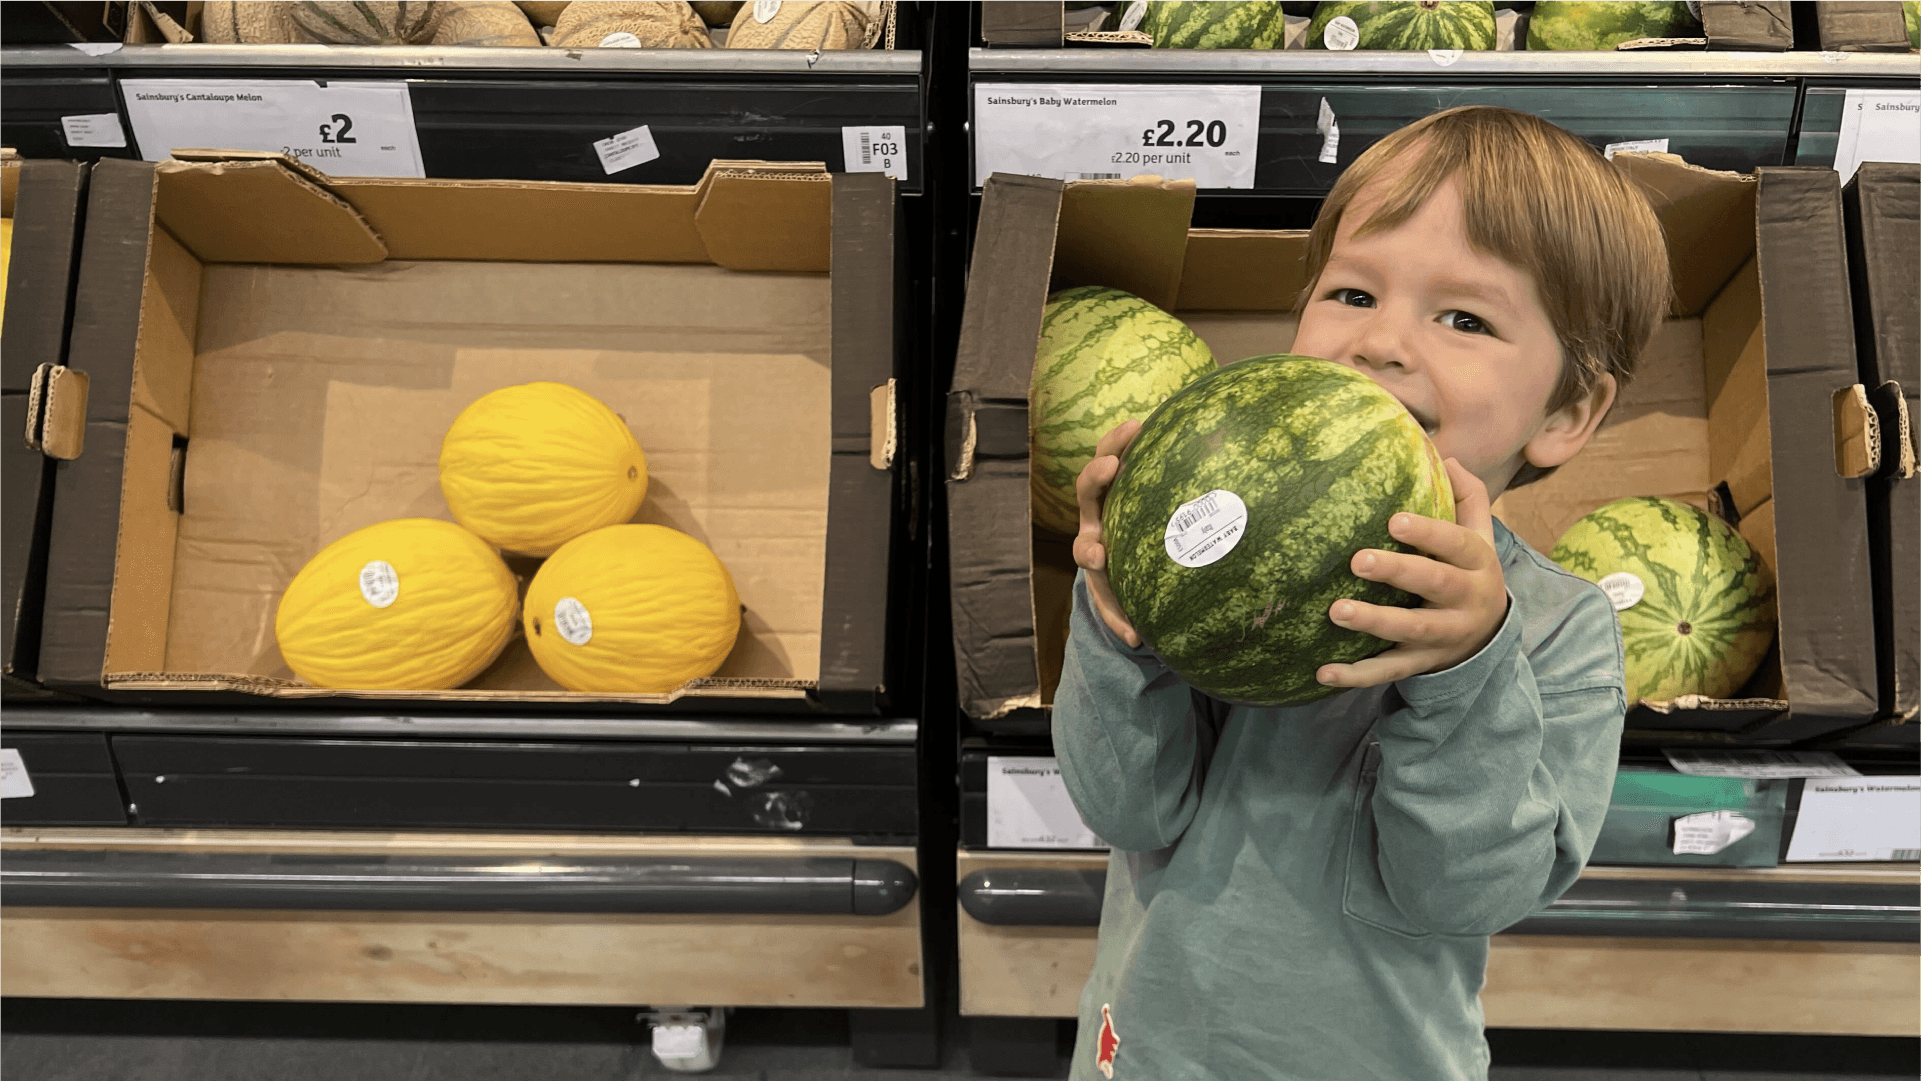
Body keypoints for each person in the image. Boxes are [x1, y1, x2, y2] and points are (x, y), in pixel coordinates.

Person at [1057, 104, 1672, 1080]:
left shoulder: (1559, 629)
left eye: (1463, 317)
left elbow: (1462, 894)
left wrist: (1467, 668)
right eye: (1350, 293)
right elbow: (1127, 810)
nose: (1381, 341)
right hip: (1145, 1054)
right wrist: (1119, 617)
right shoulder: (1216, 555)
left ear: (1566, 410)